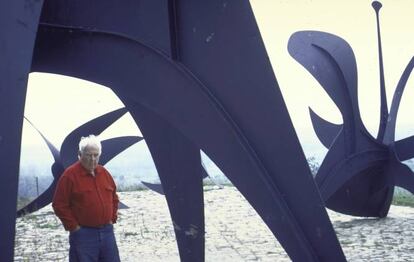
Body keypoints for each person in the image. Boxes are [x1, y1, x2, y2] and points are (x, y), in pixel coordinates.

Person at [52, 134, 121, 261]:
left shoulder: (104, 173)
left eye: (96, 155)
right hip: (84, 235)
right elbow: (59, 204)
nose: (93, 159)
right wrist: (74, 227)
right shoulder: (70, 176)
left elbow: (114, 197)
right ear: (80, 154)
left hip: (107, 232)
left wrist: (112, 218)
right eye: (89, 155)